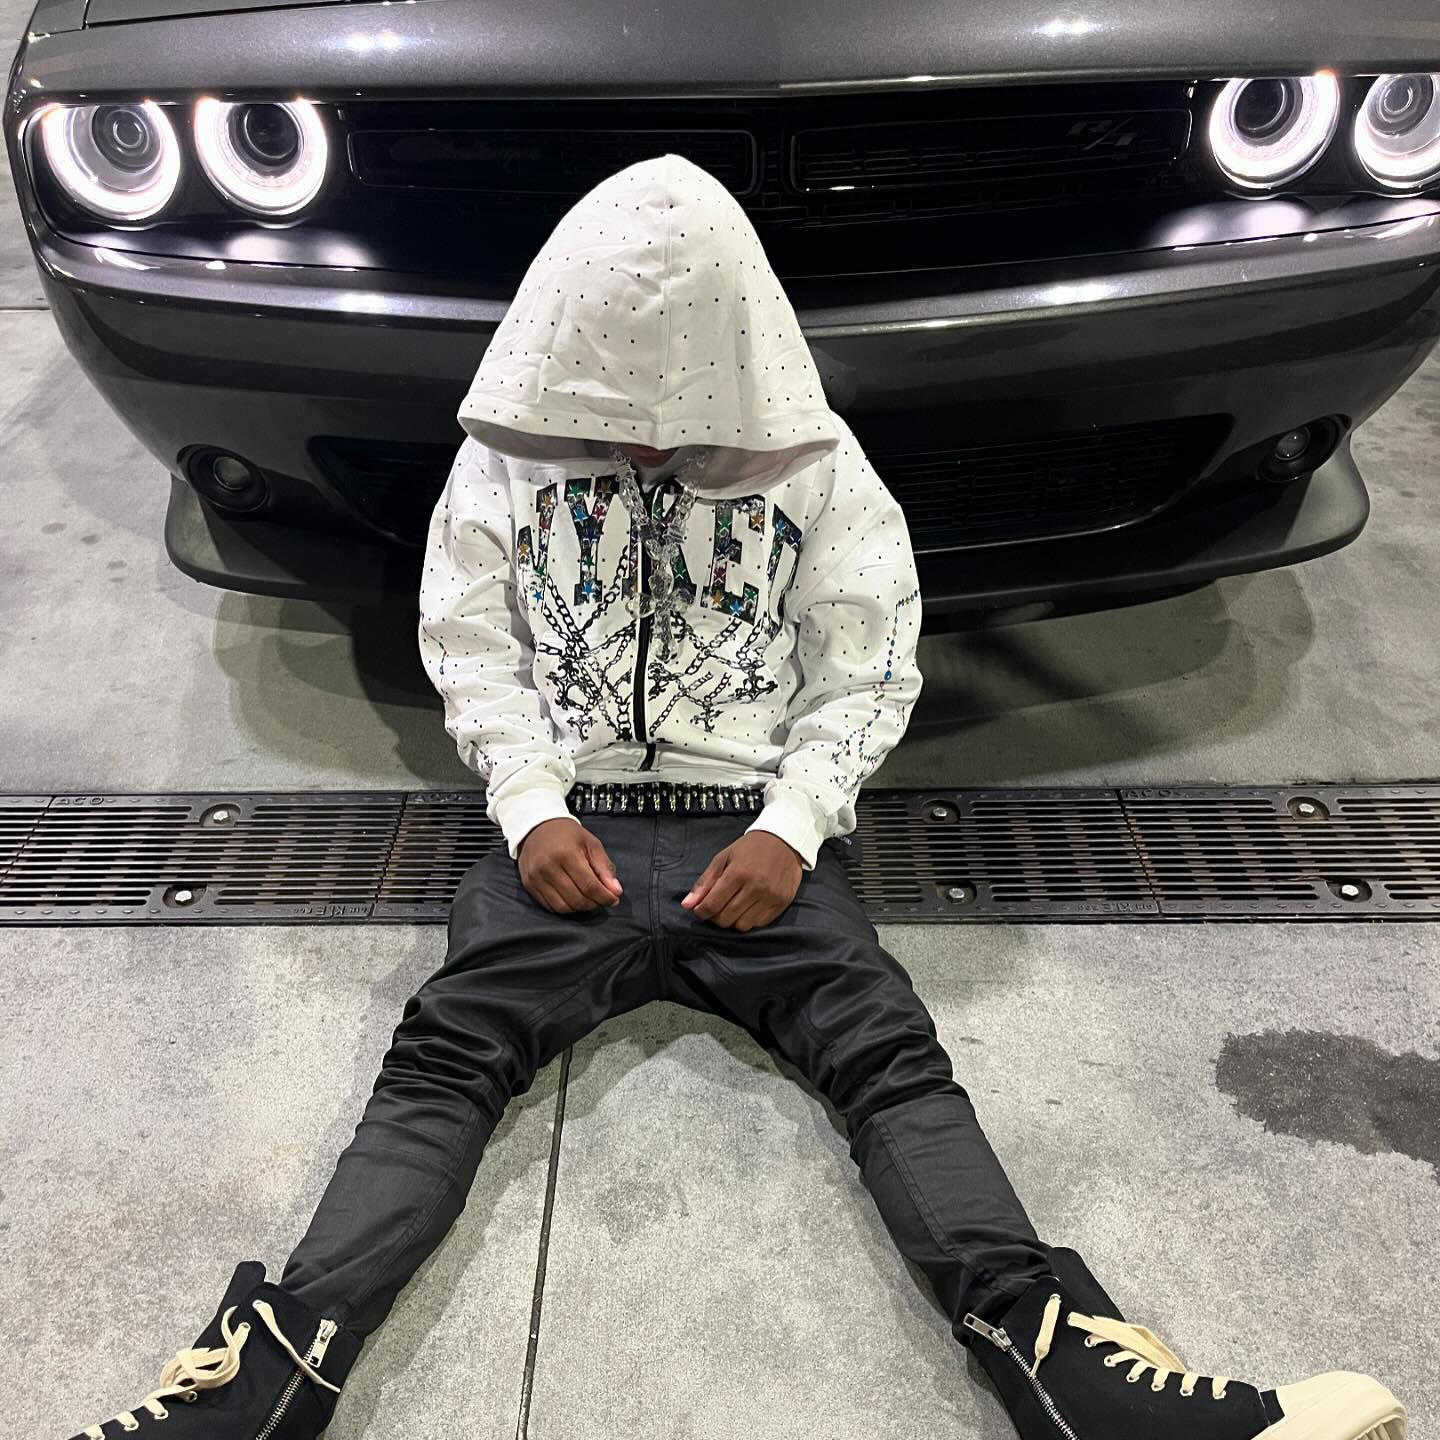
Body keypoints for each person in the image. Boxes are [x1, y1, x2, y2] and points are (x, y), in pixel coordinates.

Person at [69, 154, 1407, 1440]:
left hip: (754, 842)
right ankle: (256, 1396)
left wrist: (792, 825)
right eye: (612, 408)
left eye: (687, 417)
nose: (651, 443)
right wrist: (530, 806)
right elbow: (469, 640)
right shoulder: (504, 463)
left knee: (889, 1060)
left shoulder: (818, 471)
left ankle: (1079, 1388)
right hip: (565, 833)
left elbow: (870, 656)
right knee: (441, 1061)